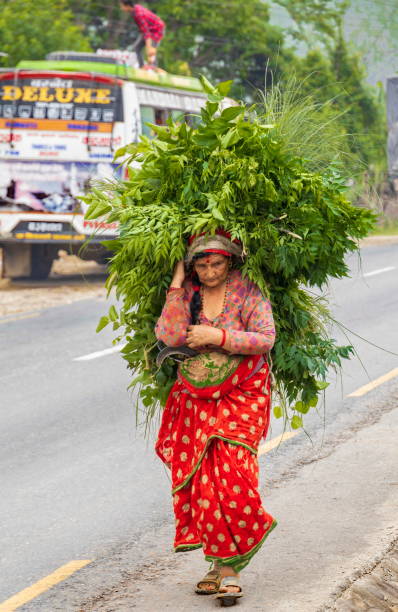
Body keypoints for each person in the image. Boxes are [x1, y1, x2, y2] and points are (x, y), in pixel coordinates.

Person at [155, 230, 277, 605]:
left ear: (231, 261)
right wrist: (176, 282)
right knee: (205, 482)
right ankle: (222, 567)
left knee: (233, 476)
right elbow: (170, 333)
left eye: (217, 263)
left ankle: (229, 566)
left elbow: (265, 338)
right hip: (196, 397)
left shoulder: (248, 292)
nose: (209, 271)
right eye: (202, 264)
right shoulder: (188, 292)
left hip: (243, 394)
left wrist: (218, 335)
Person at [120, 1, 165, 69]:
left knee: (151, 51)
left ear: (128, 6)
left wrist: (149, 47)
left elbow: (147, 33)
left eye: (122, 6)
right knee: (137, 47)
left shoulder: (139, 14)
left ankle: (153, 68)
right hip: (148, 29)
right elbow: (144, 30)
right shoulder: (134, 10)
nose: (121, 8)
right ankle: (142, 67)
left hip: (156, 29)